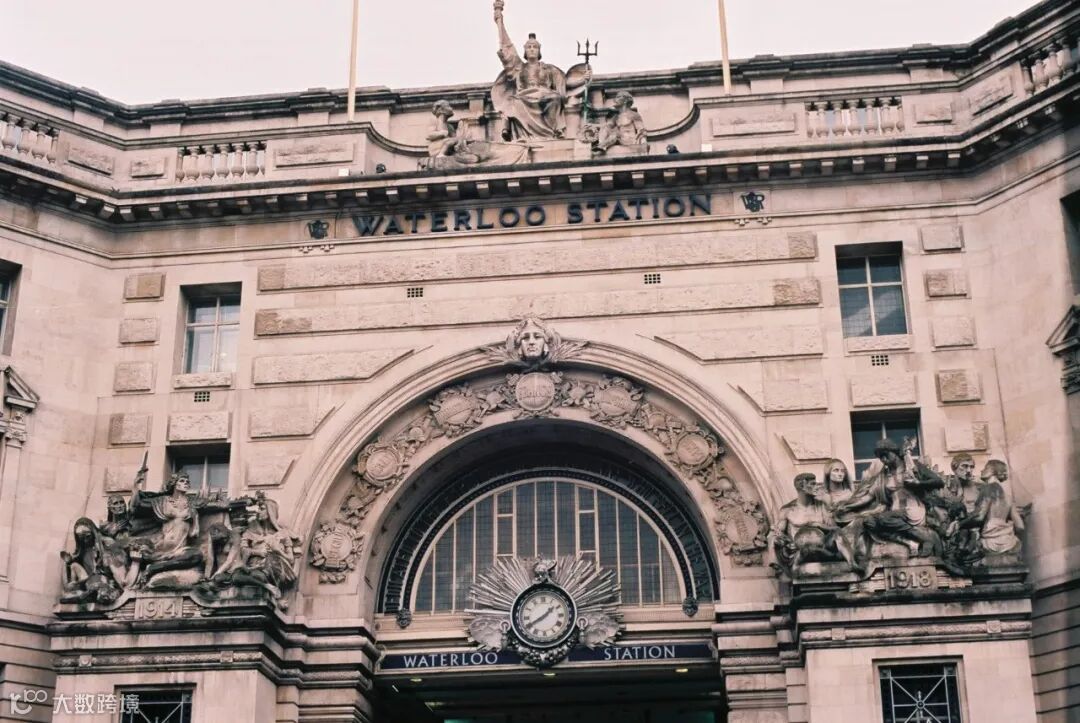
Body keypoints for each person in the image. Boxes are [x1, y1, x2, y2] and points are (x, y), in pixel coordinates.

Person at [834, 438, 945, 567]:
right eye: (881, 457)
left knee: (883, 518)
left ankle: (925, 538)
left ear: (895, 452)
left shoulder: (911, 467)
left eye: (885, 455)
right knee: (868, 522)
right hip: (893, 512)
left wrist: (919, 483)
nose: (884, 459)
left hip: (911, 509)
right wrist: (847, 507)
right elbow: (868, 497)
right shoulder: (884, 475)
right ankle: (910, 543)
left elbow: (939, 482)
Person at [491, 0, 588, 140]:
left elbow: (565, 83)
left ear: (539, 51)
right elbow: (507, 49)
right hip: (524, 97)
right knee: (514, 102)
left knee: (554, 98)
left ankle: (551, 133)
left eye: (535, 47)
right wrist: (499, 22)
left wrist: (582, 79)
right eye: (529, 47)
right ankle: (516, 133)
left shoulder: (548, 69)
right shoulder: (519, 68)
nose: (532, 49)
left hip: (544, 95)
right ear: (525, 51)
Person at [773, 473, 855, 573]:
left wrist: (820, 523)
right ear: (802, 486)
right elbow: (778, 535)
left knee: (839, 536)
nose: (817, 487)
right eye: (812, 484)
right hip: (802, 550)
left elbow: (835, 530)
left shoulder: (821, 506)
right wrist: (784, 542)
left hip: (823, 547)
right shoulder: (787, 510)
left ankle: (852, 564)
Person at [949, 459, 1024, 557]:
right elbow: (1020, 526)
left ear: (992, 471)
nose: (981, 470)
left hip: (989, 542)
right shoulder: (1008, 497)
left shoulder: (988, 488)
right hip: (1009, 542)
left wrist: (959, 525)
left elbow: (979, 517)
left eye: (985, 468)